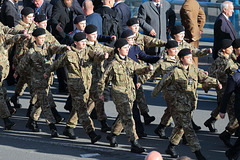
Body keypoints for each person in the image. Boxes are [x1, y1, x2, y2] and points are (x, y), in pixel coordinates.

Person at [152, 48, 222, 159]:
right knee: (189, 129)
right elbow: (163, 82)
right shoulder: (175, 71)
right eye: (188, 57)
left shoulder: (193, 69)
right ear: (181, 59)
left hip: (191, 103)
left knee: (180, 127)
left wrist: (216, 83)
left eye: (191, 57)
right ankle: (198, 153)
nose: (190, 59)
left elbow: (204, 78)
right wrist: (154, 93)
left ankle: (171, 146)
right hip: (179, 104)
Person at [44, 32, 108, 143]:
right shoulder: (69, 55)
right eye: (82, 42)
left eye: (85, 41)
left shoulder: (87, 52)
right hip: (75, 87)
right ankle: (91, 133)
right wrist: (47, 72)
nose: (84, 44)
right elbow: (56, 64)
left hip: (86, 85)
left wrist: (103, 56)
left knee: (78, 107)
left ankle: (69, 128)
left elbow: (96, 56)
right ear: (75, 43)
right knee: (82, 110)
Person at [98, 38, 152, 153]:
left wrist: (147, 68)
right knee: (128, 117)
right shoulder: (113, 64)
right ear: (118, 49)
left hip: (130, 95)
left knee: (123, 116)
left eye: (128, 47)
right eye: (125, 48)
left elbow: (138, 69)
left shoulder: (129, 61)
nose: (127, 49)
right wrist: (101, 93)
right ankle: (134, 143)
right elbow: (103, 80)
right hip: (119, 95)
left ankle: (112, 134)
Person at [14, 28, 69, 137]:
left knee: (39, 103)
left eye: (44, 38)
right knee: (45, 103)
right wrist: (16, 72)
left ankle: (31, 121)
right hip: (37, 81)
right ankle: (52, 127)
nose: (43, 40)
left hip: (47, 80)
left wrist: (64, 48)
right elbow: (22, 63)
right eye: (40, 38)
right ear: (35, 38)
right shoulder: (31, 52)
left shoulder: (47, 47)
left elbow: (56, 48)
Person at [121, 29, 160, 137]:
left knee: (132, 107)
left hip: (133, 80)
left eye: (133, 38)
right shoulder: (120, 50)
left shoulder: (135, 48)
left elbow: (145, 57)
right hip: (123, 83)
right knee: (128, 107)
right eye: (130, 39)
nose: (133, 40)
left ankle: (137, 130)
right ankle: (133, 130)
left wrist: (157, 58)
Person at [140, 40, 179, 139]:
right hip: (168, 90)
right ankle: (181, 136)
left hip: (179, 90)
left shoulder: (180, 60)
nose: (175, 51)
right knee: (176, 111)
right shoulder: (162, 63)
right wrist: (140, 81)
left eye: (176, 49)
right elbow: (151, 73)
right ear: (167, 50)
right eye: (173, 49)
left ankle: (161, 127)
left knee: (170, 110)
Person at [204, 39, 239, 147]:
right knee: (235, 115)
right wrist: (207, 84)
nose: (232, 49)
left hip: (227, 89)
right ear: (224, 50)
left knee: (222, 107)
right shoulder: (226, 62)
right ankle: (227, 134)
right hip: (226, 90)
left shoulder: (227, 58)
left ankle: (211, 120)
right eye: (230, 48)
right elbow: (214, 73)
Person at [0, 32, 30, 130]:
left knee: (2, 90)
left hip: (2, 70)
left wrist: (21, 35)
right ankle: (6, 120)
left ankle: (8, 108)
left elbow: (8, 36)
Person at [220, 56, 240, 160]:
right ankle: (232, 153)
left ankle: (232, 153)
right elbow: (227, 94)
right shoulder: (235, 77)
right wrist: (222, 110)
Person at [180, 0, 206, 67]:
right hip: (196, 34)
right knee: (195, 56)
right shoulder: (195, 3)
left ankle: (192, 75)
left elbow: (190, 21)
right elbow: (202, 16)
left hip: (190, 36)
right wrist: (199, 28)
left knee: (189, 57)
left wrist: (193, 34)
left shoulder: (186, 5)